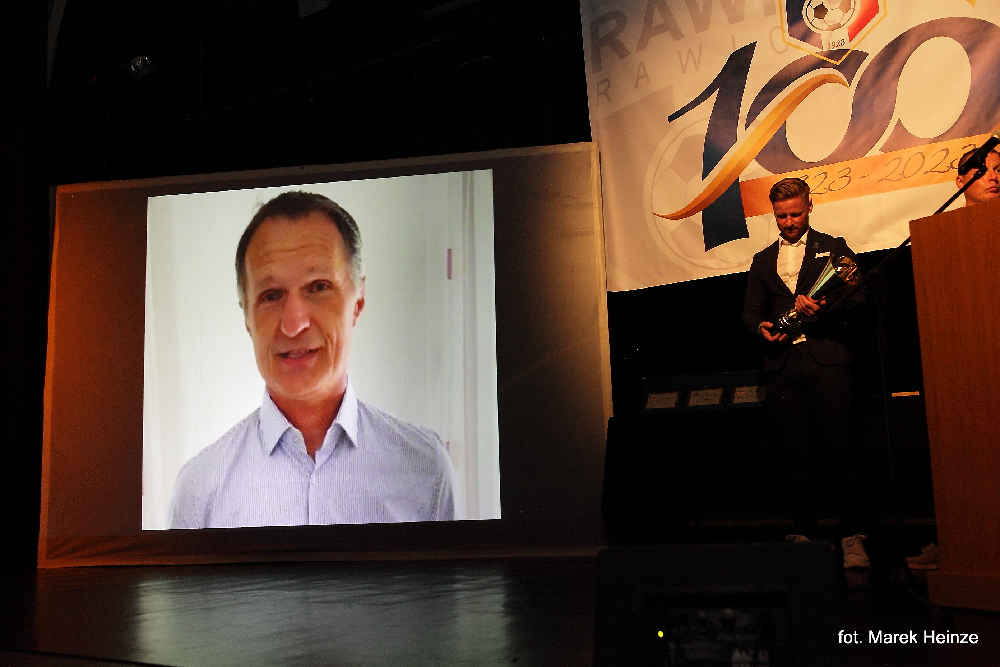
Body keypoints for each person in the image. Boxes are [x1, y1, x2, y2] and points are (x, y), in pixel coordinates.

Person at [168, 191, 457, 529]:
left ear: (358, 301)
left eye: (318, 287)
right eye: (271, 295)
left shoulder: (425, 470)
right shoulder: (199, 492)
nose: (294, 324)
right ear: (247, 317)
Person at [742, 177, 869, 568]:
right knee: (796, 455)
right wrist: (761, 329)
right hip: (783, 367)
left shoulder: (833, 247)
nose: (789, 222)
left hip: (826, 361)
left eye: (796, 214)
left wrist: (824, 308)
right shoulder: (763, 259)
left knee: (841, 451)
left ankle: (852, 537)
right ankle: (804, 536)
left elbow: (859, 295)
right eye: (781, 216)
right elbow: (750, 312)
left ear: (809, 207)